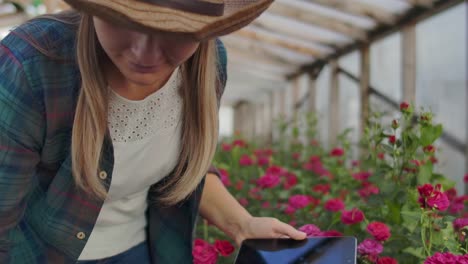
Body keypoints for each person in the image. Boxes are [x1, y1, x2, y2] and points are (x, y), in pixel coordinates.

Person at [0, 0, 307, 263]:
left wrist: (243, 225)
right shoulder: (34, 63)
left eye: (175, 30)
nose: (144, 53)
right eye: (123, 20)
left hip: (146, 249)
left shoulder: (207, 68)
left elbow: (184, 170)